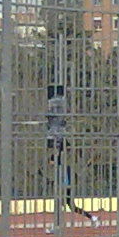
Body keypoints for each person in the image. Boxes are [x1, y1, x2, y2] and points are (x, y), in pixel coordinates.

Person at [44, 83, 97, 227]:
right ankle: (91, 218)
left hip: (65, 186)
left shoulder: (62, 166)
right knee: (69, 206)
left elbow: (59, 156)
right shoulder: (60, 165)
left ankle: (57, 225)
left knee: (64, 204)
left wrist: (62, 186)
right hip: (64, 184)